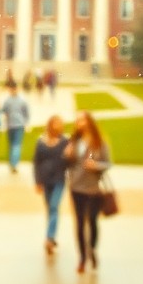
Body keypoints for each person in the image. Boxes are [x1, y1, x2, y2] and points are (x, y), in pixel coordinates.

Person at [63, 110, 112, 273]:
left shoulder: (99, 142)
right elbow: (69, 164)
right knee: (79, 223)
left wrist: (96, 166)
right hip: (76, 187)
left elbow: (107, 164)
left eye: (82, 120)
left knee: (92, 221)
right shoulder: (74, 141)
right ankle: (82, 258)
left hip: (94, 189)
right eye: (77, 120)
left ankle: (92, 249)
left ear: (89, 122)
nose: (79, 123)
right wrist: (67, 155)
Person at [32, 114, 69, 255]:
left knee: (54, 206)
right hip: (45, 180)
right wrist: (37, 181)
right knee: (50, 209)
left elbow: (77, 156)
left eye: (60, 123)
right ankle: (52, 236)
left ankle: (48, 238)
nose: (57, 126)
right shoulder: (41, 142)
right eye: (55, 123)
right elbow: (36, 163)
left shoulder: (65, 141)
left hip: (59, 179)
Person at [0, 81, 30, 174]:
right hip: (18, 124)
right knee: (16, 145)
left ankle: (12, 163)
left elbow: (3, 111)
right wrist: (25, 122)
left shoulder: (8, 100)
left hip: (11, 125)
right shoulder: (22, 101)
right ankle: (14, 163)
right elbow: (27, 113)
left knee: (13, 145)